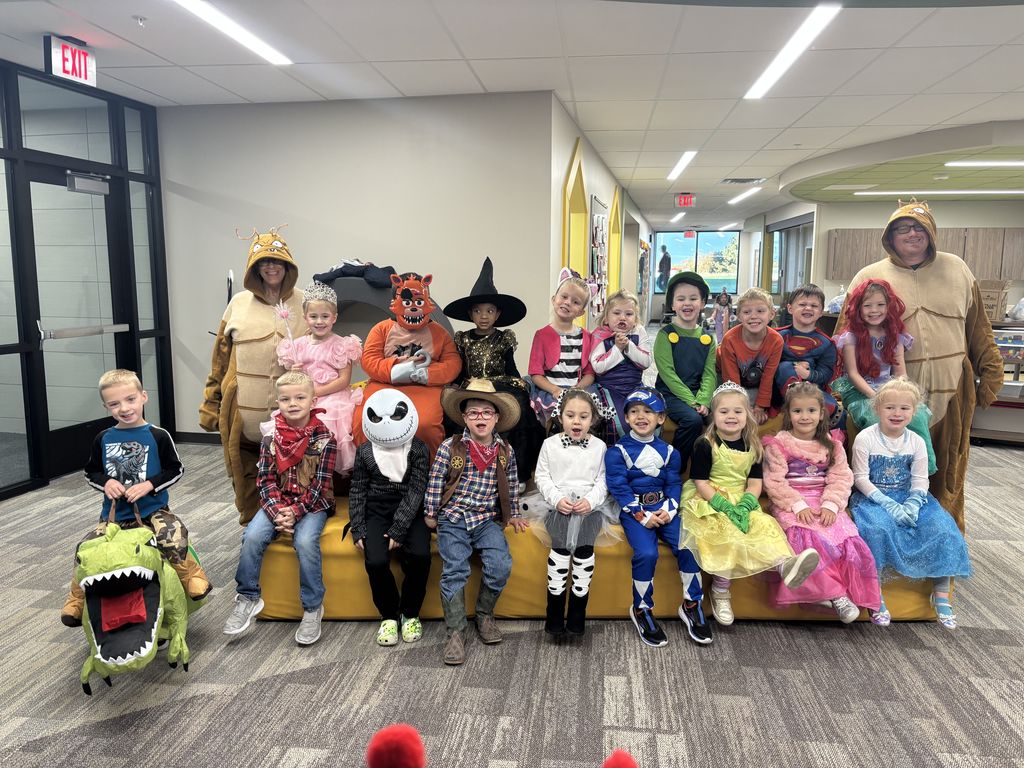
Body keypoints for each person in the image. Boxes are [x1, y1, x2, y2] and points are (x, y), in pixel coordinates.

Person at [841, 200, 1003, 529]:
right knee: (881, 472)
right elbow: (846, 335)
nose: (912, 234)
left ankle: (944, 541)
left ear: (931, 233)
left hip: (951, 390)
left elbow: (978, 328)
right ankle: (886, 545)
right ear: (890, 236)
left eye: (919, 228)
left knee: (948, 469)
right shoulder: (869, 276)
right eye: (903, 228)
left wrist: (991, 373)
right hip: (886, 398)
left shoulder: (957, 268)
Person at [61, 369, 210, 626]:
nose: (124, 408)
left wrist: (149, 485)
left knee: (172, 533)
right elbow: (91, 472)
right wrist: (106, 482)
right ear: (106, 406)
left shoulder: (158, 435)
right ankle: (76, 599)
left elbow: (175, 470)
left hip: (154, 511)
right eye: (114, 403)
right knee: (86, 549)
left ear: (143, 397)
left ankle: (192, 576)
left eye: (130, 399)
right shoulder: (103, 438)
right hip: (115, 516)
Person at [679, 382, 820, 627]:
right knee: (727, 532)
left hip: (741, 497)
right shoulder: (705, 443)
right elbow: (700, 482)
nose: (731, 416)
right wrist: (724, 506)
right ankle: (721, 592)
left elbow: (755, 483)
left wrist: (745, 505)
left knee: (763, 525)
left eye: (738, 411)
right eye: (724, 412)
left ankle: (785, 565)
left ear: (748, 415)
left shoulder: (754, 446)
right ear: (714, 415)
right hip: (710, 497)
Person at [200, 228, 306, 524]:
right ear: (254, 267)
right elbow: (219, 359)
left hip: (291, 418)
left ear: (288, 266)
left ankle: (283, 536)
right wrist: (210, 403)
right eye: (264, 262)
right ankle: (251, 529)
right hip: (241, 417)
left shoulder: (304, 302)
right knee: (246, 479)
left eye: (277, 261)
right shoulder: (238, 304)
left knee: (293, 481)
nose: (271, 267)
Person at [223, 371, 336, 646]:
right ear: (278, 402)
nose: (293, 403)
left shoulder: (324, 439)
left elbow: (320, 486)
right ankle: (248, 597)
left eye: (300, 397)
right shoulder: (270, 438)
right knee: (251, 536)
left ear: (313, 400)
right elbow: (265, 480)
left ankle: (312, 607)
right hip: (277, 502)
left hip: (312, 505)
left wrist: (294, 513)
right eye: (285, 399)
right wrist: (277, 511)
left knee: (306, 541)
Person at [850, 377, 972, 629]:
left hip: (910, 497)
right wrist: (888, 504)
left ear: (913, 412)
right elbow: (860, 478)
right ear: (877, 409)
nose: (897, 413)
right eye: (890, 407)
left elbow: (920, 478)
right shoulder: (865, 438)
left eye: (904, 408)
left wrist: (914, 502)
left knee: (943, 528)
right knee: (876, 529)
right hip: (875, 498)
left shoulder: (916, 441)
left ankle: (940, 593)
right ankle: (875, 595)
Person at [425, 379, 528, 666]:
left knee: (500, 564)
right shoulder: (452, 447)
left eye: (486, 413)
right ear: (465, 418)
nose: (480, 418)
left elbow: (511, 484)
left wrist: (514, 513)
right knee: (455, 569)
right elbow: (435, 481)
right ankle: (456, 632)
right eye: (473, 413)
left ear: (496, 418)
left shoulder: (505, 451)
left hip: (486, 519)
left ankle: (484, 614)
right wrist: (431, 513)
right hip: (454, 517)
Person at [761, 383, 880, 622]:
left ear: (821, 413)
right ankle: (837, 597)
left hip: (823, 499)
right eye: (798, 411)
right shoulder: (779, 444)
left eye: (811, 411)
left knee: (843, 536)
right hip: (792, 501)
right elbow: (774, 481)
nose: (805, 417)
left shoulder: (832, 443)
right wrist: (798, 505)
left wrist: (832, 505)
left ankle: (831, 593)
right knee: (805, 537)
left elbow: (841, 476)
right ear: (788, 414)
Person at [605, 387, 711, 648]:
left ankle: (692, 604)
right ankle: (641, 608)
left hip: (665, 510)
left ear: (661, 418)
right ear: (626, 418)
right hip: (635, 513)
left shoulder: (670, 452)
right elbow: (619, 487)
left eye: (648, 412)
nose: (641, 417)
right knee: (647, 554)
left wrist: (671, 508)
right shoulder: (617, 452)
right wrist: (641, 516)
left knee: (688, 545)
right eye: (634, 412)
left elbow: (674, 483)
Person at [520, 389, 616, 637]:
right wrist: (557, 498)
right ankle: (553, 619)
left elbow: (603, 481)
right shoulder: (550, 445)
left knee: (584, 555)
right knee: (560, 552)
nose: (577, 421)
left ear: (592, 420)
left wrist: (590, 501)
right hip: (556, 504)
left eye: (583, 416)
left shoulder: (600, 447)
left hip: (590, 507)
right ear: (560, 417)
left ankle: (576, 619)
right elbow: (541, 476)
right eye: (571, 415)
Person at [444, 257, 543, 485]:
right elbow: (460, 371)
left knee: (521, 407)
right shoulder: (464, 339)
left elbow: (512, 370)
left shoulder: (503, 338)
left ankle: (516, 474)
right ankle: (459, 469)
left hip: (499, 386)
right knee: (452, 409)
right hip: (470, 386)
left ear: (498, 314)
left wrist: (514, 386)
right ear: (471, 315)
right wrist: (456, 386)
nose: (484, 316)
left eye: (490, 311)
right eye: (478, 311)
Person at [348, 389, 431, 646]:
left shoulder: (418, 449)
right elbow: (358, 489)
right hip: (376, 509)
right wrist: (358, 527)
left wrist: (399, 528)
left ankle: (410, 613)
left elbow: (417, 490)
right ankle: (388, 616)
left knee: (419, 556)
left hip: (410, 510)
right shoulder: (364, 452)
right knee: (375, 561)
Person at [352, 272, 462, 458]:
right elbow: (369, 359)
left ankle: (430, 473)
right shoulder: (382, 328)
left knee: (426, 425)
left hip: (425, 388)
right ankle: (365, 471)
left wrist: (429, 374)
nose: (412, 308)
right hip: (384, 384)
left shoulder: (439, 332)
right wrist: (395, 369)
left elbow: (453, 362)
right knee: (363, 420)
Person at [832, 279, 936, 475]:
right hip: (859, 390)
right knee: (875, 419)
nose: (874, 310)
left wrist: (903, 394)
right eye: (868, 305)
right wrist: (877, 397)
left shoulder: (895, 336)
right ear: (858, 308)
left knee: (919, 414)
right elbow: (853, 374)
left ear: (889, 307)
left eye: (880, 305)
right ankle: (877, 472)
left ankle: (922, 467)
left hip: (887, 388)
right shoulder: (850, 337)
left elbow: (900, 373)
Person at [276, 280, 362, 474]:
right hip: (304, 395)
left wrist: (316, 392)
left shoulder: (342, 344)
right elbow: (292, 382)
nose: (319, 321)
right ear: (306, 318)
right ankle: (299, 468)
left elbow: (343, 380)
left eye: (325, 316)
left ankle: (325, 470)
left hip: (333, 395)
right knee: (291, 416)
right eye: (313, 316)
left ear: (334, 318)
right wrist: (294, 373)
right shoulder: (296, 345)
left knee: (327, 419)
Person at [653, 271, 716, 472]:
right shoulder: (666, 335)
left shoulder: (707, 338)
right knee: (692, 419)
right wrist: (693, 402)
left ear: (703, 302)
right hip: (670, 394)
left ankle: (712, 472)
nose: (687, 303)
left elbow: (709, 373)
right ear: (672, 304)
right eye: (681, 299)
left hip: (698, 395)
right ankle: (675, 469)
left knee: (722, 418)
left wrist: (704, 399)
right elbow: (667, 373)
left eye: (693, 298)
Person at [528, 268, 597, 425]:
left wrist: (577, 389)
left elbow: (590, 373)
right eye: (564, 297)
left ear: (580, 312)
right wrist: (554, 390)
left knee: (582, 417)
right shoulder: (541, 335)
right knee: (554, 423)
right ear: (554, 299)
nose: (567, 302)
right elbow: (535, 373)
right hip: (550, 391)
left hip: (577, 390)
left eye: (575, 302)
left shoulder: (587, 336)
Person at [589, 289, 652, 439]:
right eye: (616, 313)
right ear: (606, 318)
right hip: (608, 388)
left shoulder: (639, 331)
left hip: (635, 385)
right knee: (618, 423)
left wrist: (628, 345)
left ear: (636, 319)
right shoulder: (600, 335)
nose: (622, 318)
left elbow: (646, 362)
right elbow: (598, 367)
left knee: (648, 418)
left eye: (629, 314)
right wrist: (617, 349)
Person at [717, 287, 783, 426]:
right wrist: (741, 408)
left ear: (771, 314)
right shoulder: (729, 339)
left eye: (760, 311)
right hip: (727, 380)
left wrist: (760, 407)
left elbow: (768, 376)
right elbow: (731, 381)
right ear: (739, 316)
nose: (753, 316)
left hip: (754, 384)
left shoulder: (776, 341)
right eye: (747, 312)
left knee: (762, 410)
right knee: (725, 408)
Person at [773, 284, 838, 419]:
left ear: (821, 312)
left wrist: (808, 374)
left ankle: (834, 439)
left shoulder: (827, 344)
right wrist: (793, 367)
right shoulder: (776, 336)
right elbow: (768, 363)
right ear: (790, 308)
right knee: (785, 366)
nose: (808, 308)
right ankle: (797, 401)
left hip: (813, 391)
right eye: (802, 304)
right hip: (779, 393)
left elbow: (826, 374)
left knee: (836, 410)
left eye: (814, 306)